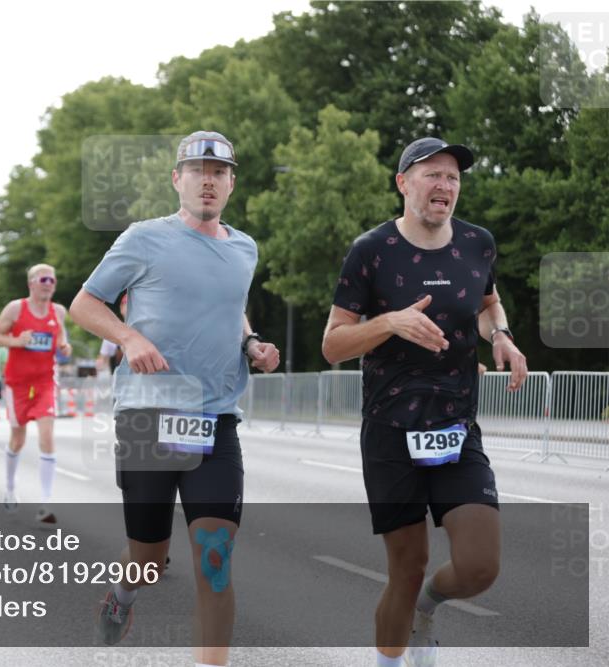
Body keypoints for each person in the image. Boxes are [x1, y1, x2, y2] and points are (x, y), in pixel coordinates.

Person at [69, 131, 279, 665]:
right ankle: (122, 596)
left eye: (219, 172)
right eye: (196, 170)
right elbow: (85, 303)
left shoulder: (244, 247)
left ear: (232, 183)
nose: (207, 180)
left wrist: (250, 342)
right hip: (149, 415)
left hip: (215, 418)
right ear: (177, 179)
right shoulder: (144, 238)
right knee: (149, 558)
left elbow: (230, 309)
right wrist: (129, 337)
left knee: (215, 558)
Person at [321, 137, 528, 667]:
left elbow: (487, 301)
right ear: (403, 184)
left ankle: (428, 610)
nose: (445, 185)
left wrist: (500, 335)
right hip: (390, 431)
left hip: (456, 426)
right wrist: (390, 321)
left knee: (480, 565)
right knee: (406, 570)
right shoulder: (371, 250)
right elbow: (333, 345)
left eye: (453, 177)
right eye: (432, 174)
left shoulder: (479, 243)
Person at [0, 263, 72, 524]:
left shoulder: (58, 311)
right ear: (31, 283)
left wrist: (65, 348)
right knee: (18, 439)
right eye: (43, 279)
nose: (49, 283)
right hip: (18, 384)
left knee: (47, 437)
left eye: (52, 280)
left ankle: (45, 504)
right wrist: (15, 341)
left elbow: (62, 341)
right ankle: (10, 489)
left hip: (45, 382)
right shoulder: (16, 308)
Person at [96, 293, 127, 377]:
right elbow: (103, 359)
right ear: (121, 308)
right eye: (127, 303)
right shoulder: (113, 332)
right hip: (120, 381)